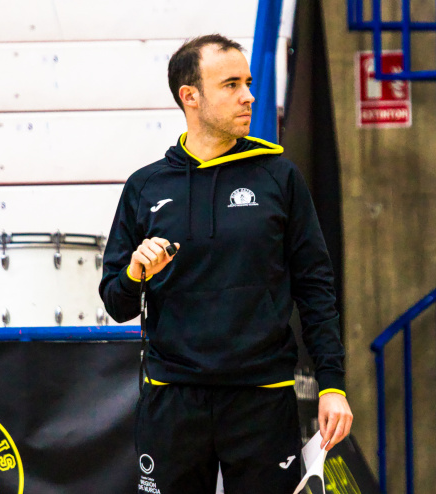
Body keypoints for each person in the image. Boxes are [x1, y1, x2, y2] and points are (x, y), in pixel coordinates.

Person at [99, 34, 352, 493]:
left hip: (263, 398)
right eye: (231, 84)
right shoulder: (145, 186)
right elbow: (116, 302)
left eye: (249, 83)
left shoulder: (279, 176)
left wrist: (332, 383)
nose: (248, 96)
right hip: (171, 399)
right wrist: (135, 273)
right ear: (190, 97)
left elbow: (316, 288)